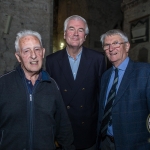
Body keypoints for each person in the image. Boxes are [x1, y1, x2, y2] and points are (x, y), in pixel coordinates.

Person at [0, 30, 75, 150]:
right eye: (26, 51)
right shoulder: (3, 84)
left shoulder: (51, 85)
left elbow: (63, 126)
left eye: (37, 49)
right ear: (18, 57)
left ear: (43, 52)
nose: (33, 55)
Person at [46, 15, 106, 150]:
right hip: (63, 131)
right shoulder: (51, 61)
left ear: (85, 36)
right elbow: (50, 97)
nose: (75, 34)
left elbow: (100, 95)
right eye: (71, 29)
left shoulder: (98, 59)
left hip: (88, 131)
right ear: (64, 34)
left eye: (80, 30)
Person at [96, 29, 150, 150]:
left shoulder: (145, 73)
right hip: (105, 143)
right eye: (107, 45)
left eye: (116, 43)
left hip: (135, 145)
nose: (111, 48)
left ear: (126, 46)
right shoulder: (106, 76)